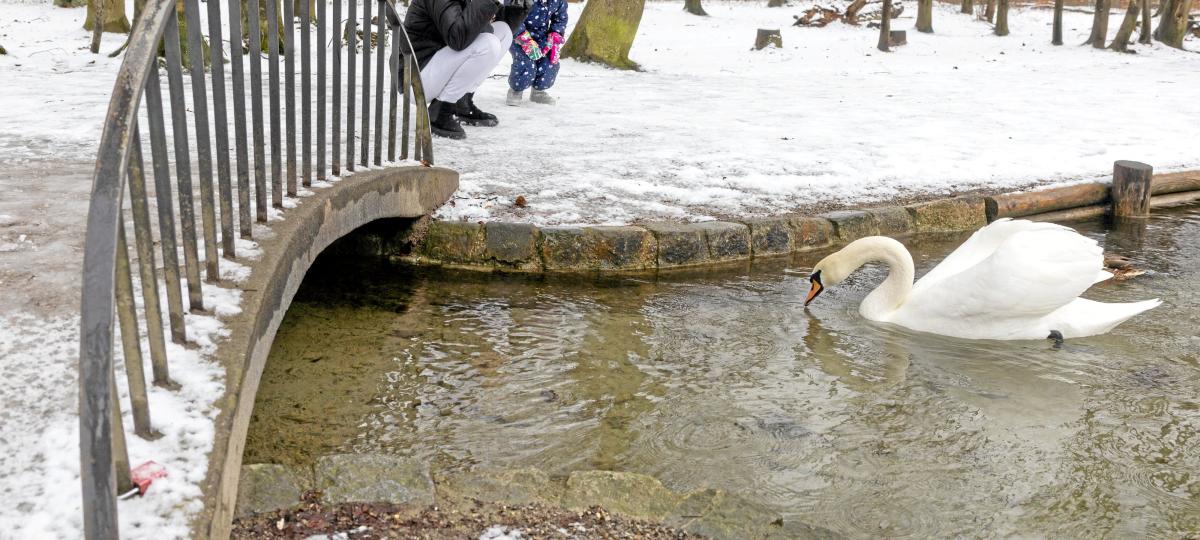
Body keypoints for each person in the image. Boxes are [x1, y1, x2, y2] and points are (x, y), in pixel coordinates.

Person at [404, 0, 532, 139]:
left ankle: (462, 103)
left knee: (503, 31)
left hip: (436, 68)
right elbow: (457, 37)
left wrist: (517, 6)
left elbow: (481, 25)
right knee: (489, 43)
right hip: (416, 78)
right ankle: (439, 112)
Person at [506, 0, 567, 106]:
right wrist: (523, 38)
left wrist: (556, 32)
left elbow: (560, 18)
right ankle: (516, 89)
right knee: (526, 62)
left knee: (550, 62)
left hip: (542, 36)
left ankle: (538, 92)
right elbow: (512, 15)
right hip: (518, 36)